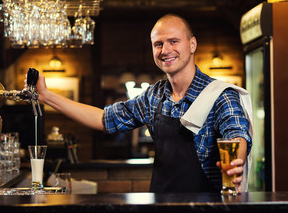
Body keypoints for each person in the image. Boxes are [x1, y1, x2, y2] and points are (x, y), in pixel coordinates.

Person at [30, 14, 252, 193]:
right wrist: (47, 96)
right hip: (160, 205)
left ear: (192, 44)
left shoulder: (220, 95)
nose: (165, 50)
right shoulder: (153, 96)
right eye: (158, 44)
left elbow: (237, 134)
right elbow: (103, 119)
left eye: (174, 41)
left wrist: (235, 162)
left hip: (207, 208)